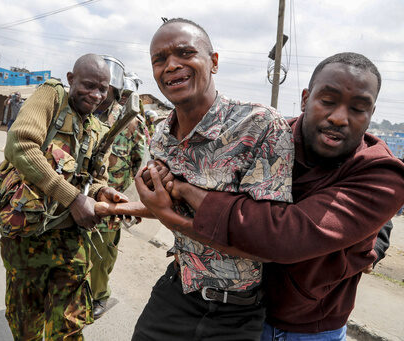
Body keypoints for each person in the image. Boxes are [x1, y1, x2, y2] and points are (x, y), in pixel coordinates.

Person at [136, 52, 404, 340]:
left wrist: (181, 195)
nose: (339, 117)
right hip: (238, 311)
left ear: (371, 114)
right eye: (327, 101)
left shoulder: (381, 173)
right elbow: (211, 184)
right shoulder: (268, 135)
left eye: (358, 108)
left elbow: (284, 235)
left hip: (306, 327)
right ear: (305, 99)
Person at [124, 18, 295, 340]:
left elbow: (266, 245)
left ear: (213, 62)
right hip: (175, 293)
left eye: (185, 53)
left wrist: (169, 210)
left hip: (237, 314)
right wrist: (118, 207)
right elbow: (163, 204)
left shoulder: (258, 126)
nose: (171, 66)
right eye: (159, 60)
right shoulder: (161, 135)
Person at [0, 54, 128, 341]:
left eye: (103, 89)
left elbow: (94, 180)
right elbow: (20, 144)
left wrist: (101, 192)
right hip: (27, 238)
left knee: (69, 327)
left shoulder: (97, 128)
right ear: (71, 79)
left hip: (71, 242)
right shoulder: (51, 96)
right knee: (26, 324)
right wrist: (72, 198)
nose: (95, 95)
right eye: (88, 85)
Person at [89, 56, 148, 319]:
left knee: (102, 252)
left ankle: (99, 296)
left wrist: (130, 205)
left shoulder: (132, 121)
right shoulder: (83, 110)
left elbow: (141, 167)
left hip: (111, 200)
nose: (101, 94)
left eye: (108, 89)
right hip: (80, 194)